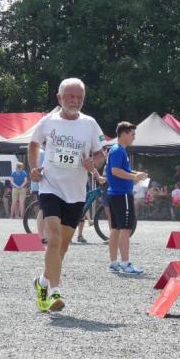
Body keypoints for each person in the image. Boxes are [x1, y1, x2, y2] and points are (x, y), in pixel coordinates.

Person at [29, 77, 106, 312]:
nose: (75, 101)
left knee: (62, 247)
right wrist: (34, 167)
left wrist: (93, 162)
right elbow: (33, 144)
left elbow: (101, 154)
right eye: (70, 96)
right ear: (60, 98)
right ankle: (55, 292)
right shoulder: (47, 121)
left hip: (76, 193)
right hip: (50, 187)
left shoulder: (90, 124)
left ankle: (42, 282)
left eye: (79, 97)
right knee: (53, 239)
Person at [106, 122, 148, 274]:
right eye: (132, 134)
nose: (134, 137)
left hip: (115, 194)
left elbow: (120, 170)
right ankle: (125, 264)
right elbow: (115, 171)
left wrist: (136, 174)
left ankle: (113, 263)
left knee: (116, 228)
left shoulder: (116, 150)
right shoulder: (119, 151)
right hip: (122, 194)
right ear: (123, 134)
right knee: (125, 228)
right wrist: (133, 177)